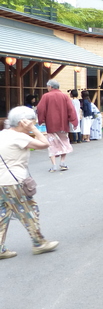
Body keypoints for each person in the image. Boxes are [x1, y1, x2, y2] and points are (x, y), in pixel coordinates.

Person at [0, 106, 58, 259]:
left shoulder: (3, 134)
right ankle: (39, 243)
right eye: (32, 122)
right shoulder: (19, 137)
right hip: (13, 182)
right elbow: (45, 143)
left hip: (2, 182)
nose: (34, 124)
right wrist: (34, 129)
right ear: (23, 122)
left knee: (2, 214)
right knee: (28, 210)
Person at [36, 80, 78, 172]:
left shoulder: (46, 96)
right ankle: (62, 162)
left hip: (51, 125)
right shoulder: (64, 96)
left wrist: (41, 120)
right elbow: (71, 109)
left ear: (50, 87)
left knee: (51, 144)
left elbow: (40, 108)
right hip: (63, 125)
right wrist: (74, 121)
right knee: (64, 143)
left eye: (47, 86)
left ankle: (54, 165)